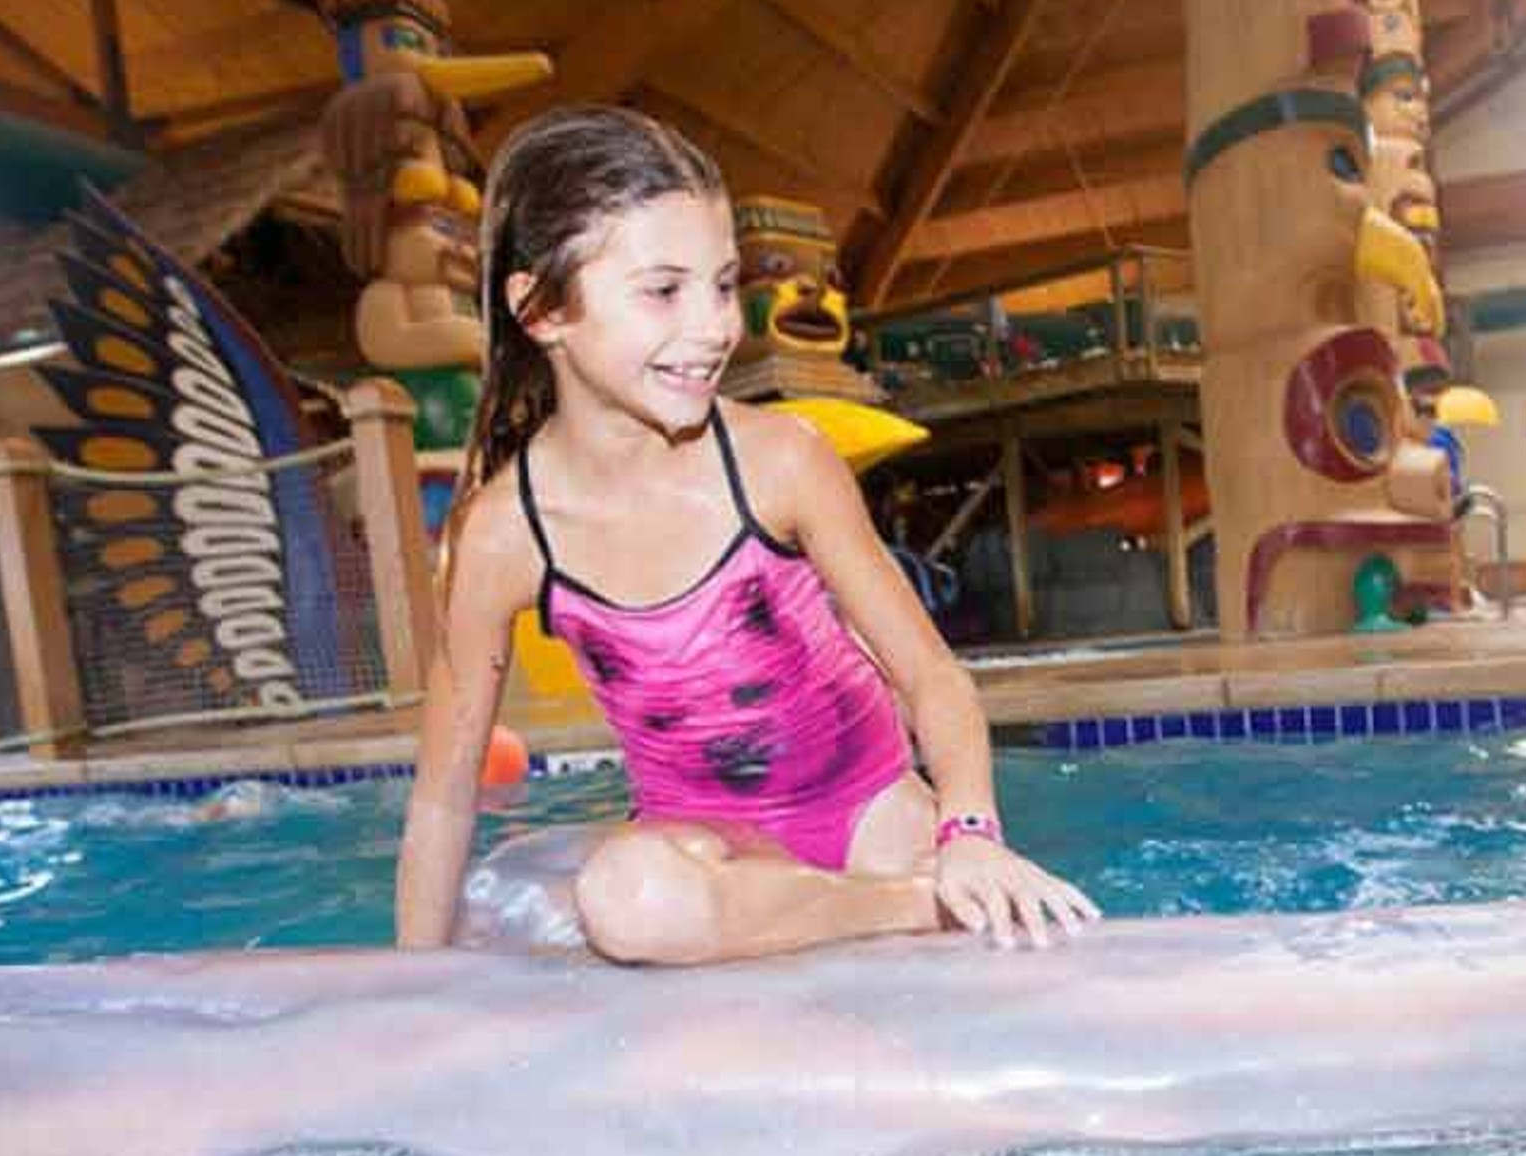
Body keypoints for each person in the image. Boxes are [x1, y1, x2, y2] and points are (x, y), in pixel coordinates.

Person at [395, 106, 1099, 964]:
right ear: (541, 310)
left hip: (872, 815)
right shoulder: (506, 534)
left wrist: (971, 830)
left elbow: (930, 675)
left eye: (723, 285)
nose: (715, 327)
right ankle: (906, 910)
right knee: (629, 901)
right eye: (664, 291)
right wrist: (414, 989)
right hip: (709, 853)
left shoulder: (779, 463)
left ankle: (904, 896)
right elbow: (442, 795)